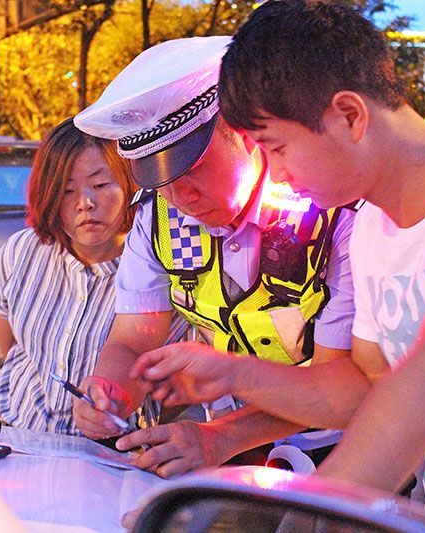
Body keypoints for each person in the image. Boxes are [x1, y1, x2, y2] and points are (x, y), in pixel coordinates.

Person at [131, 1, 425, 530]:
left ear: (349, 115)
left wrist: (309, 516)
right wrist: (233, 372)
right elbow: (365, 390)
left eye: (277, 148)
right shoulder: (371, 230)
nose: (275, 174)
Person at [72, 36, 370, 477]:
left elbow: (342, 383)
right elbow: (133, 340)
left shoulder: (330, 211)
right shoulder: (157, 219)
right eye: (162, 180)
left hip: (345, 454)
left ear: (244, 136)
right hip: (229, 454)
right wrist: (109, 390)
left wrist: (221, 436)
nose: (180, 197)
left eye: (193, 169)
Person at [0, 118, 188, 434]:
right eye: (67, 190)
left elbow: (176, 385)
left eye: (101, 185)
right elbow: (10, 345)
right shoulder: (21, 252)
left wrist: (115, 404)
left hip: (109, 448)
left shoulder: (160, 269)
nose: (86, 203)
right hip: (15, 434)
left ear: (130, 184)